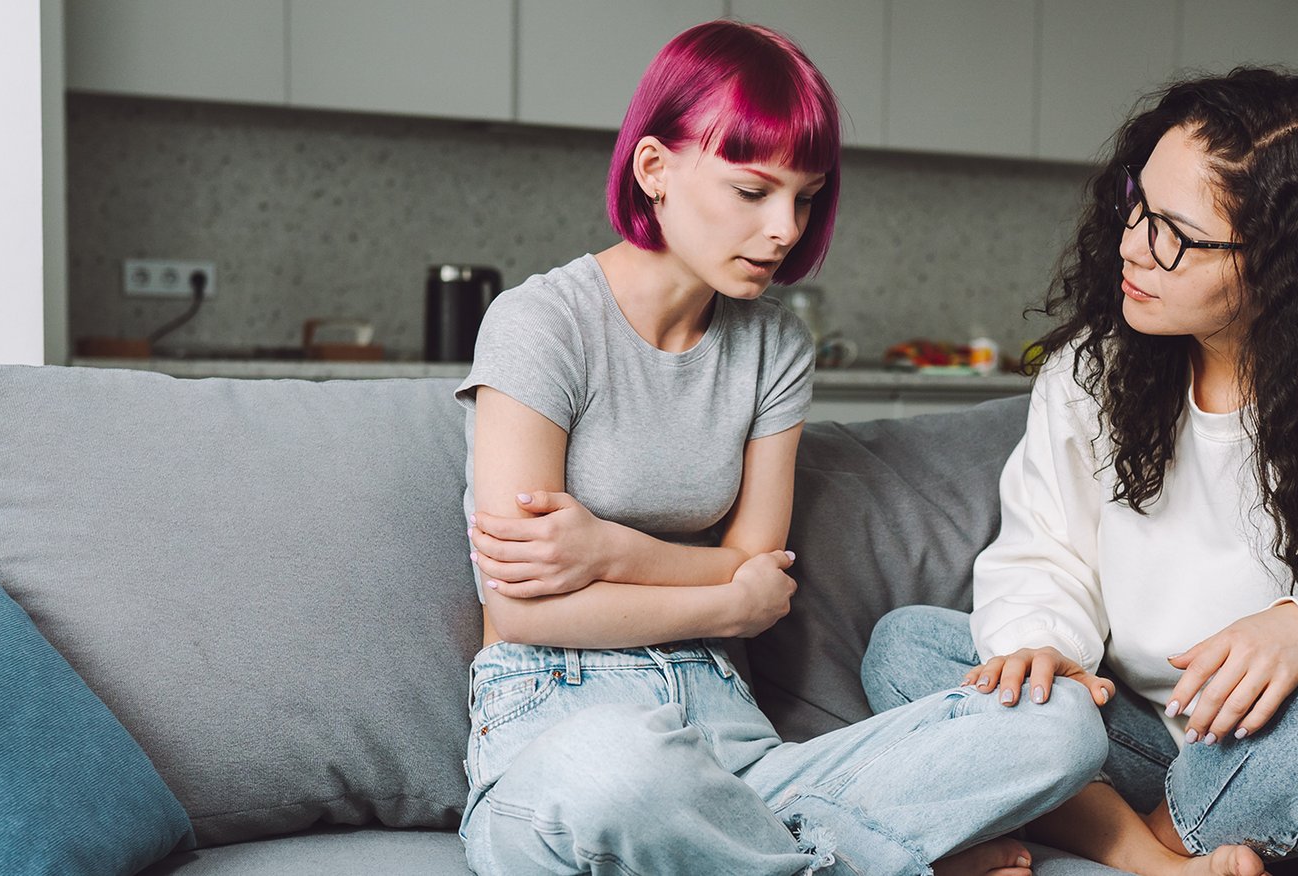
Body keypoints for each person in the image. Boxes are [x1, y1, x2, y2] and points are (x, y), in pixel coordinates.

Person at [862, 68, 1298, 876]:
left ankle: (1109, 832)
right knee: (910, 648)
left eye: (1174, 235)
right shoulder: (1091, 374)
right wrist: (1041, 646)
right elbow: (1044, 553)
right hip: (1156, 741)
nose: (1131, 245)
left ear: (1285, 265)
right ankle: (1160, 856)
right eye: (1136, 205)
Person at [455, 20, 1105, 876]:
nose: (785, 229)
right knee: (613, 767)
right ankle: (860, 859)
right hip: (561, 737)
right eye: (753, 191)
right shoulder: (540, 325)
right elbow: (530, 611)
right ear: (654, 169)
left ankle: (775, 852)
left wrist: (612, 550)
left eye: (804, 197)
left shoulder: (774, 347)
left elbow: (763, 564)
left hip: (740, 751)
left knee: (1060, 724)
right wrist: (722, 602)